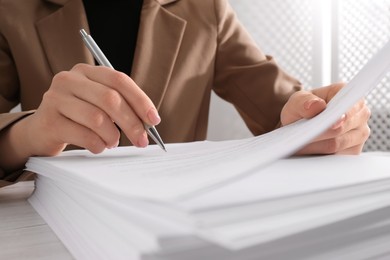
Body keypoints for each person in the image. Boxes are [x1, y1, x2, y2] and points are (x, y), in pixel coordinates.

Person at [0, 0, 370, 186]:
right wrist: (29, 132)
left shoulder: (205, 7)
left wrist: (322, 119)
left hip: (178, 221)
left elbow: (282, 109)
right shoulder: (11, 9)